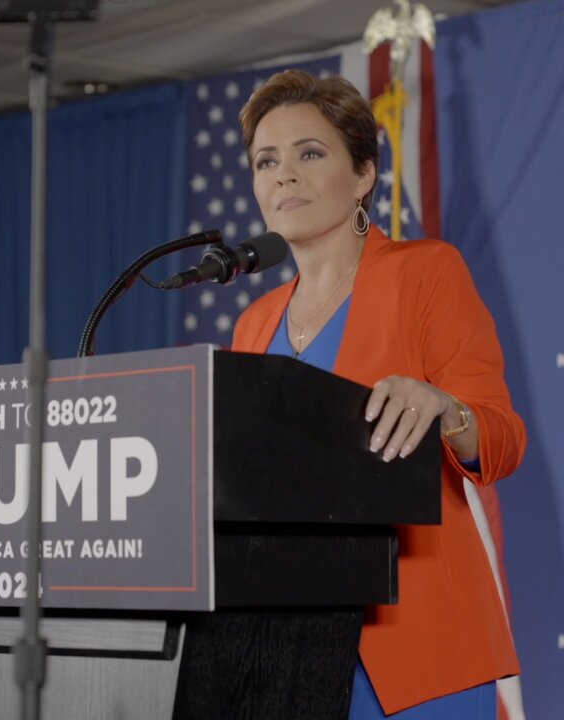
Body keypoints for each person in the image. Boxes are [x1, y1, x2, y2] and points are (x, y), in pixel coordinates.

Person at [231, 69, 526, 719]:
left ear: (364, 173)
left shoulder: (426, 273)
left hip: (413, 642)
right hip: (284, 645)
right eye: (266, 161)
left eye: (310, 153)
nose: (284, 176)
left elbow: (500, 440)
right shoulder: (253, 322)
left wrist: (445, 409)